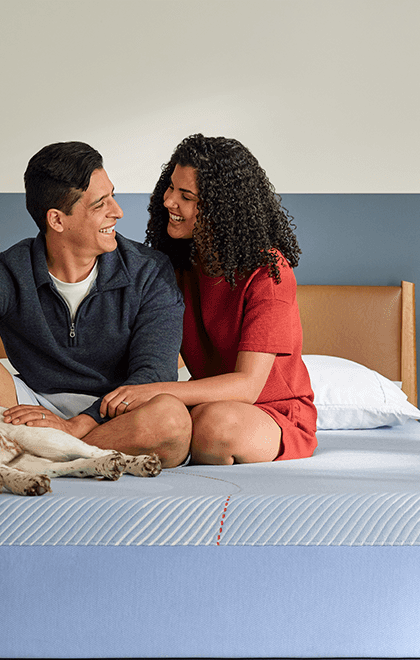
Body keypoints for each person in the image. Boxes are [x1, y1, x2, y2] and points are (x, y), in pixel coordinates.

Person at [0, 141, 192, 467]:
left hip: (116, 415)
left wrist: (77, 425)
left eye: (112, 196)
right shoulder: (13, 274)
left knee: (171, 419)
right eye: (100, 204)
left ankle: (43, 453)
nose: (117, 211)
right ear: (57, 220)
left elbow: (153, 375)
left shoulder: (149, 271)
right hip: (32, 409)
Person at [101, 134, 315, 464]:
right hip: (202, 408)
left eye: (186, 196)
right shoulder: (170, 268)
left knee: (214, 426)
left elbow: (247, 387)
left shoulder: (270, 274)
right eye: (170, 188)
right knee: (182, 420)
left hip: (273, 414)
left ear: (221, 208)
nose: (169, 201)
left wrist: (158, 392)